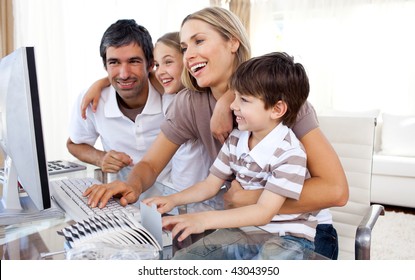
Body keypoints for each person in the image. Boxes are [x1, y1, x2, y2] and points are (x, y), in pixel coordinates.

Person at [82, 7, 348, 259]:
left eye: (199, 41)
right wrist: (132, 184)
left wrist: (247, 200)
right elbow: (151, 162)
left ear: (233, 43)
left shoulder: (278, 98)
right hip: (240, 228)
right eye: (184, 48)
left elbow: (335, 190)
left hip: (301, 233)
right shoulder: (191, 102)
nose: (188, 56)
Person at [143, 52, 317, 260]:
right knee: (186, 259)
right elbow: (209, 185)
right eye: (234, 97)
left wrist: (202, 220)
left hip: (287, 239)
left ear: (277, 109)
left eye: (243, 100)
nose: (232, 106)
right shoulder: (236, 139)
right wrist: (171, 200)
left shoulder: (290, 153)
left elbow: (263, 212)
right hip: (244, 232)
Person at [67, 19, 171, 183]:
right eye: (114, 62)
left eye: (133, 61)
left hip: (175, 199)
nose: (124, 74)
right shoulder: (92, 99)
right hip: (123, 201)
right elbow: (74, 143)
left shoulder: (170, 95)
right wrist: (101, 159)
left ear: (151, 64)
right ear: (105, 66)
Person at [153, 32, 210, 192]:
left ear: (187, 61)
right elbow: (142, 77)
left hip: (202, 197)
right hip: (176, 191)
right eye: (157, 65)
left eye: (168, 62)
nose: (160, 71)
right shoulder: (168, 92)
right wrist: (101, 84)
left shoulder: (201, 97)